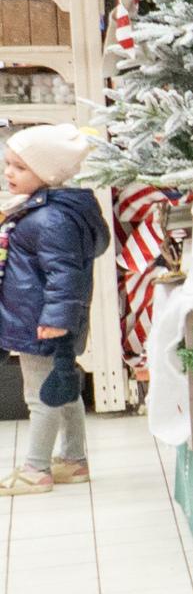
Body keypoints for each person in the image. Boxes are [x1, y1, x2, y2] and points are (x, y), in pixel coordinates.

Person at [0, 124, 104, 492]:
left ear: (48, 173)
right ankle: (74, 461)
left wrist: (56, 319)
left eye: (20, 167)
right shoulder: (43, 211)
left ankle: (36, 469)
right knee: (64, 387)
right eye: (8, 164)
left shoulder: (50, 219)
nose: (9, 173)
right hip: (42, 318)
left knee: (40, 396)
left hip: (41, 322)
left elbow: (65, 274)